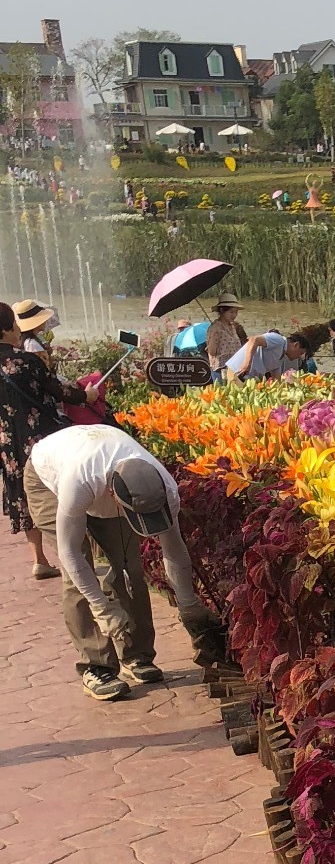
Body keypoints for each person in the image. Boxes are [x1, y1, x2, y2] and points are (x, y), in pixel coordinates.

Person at [24, 420, 224, 701]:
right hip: (48, 477)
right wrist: (101, 607)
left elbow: (173, 547)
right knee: (79, 574)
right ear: (113, 496)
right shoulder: (78, 481)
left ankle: (137, 654)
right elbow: (68, 554)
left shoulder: (164, 486)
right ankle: (97, 667)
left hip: (99, 466)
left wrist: (188, 605)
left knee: (128, 566)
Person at [0, 299, 71, 577]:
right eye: (14, 325)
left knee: (22, 492)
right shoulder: (26, 361)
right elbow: (58, 391)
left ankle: (39, 559)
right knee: (55, 492)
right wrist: (86, 396)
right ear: (6, 329)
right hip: (40, 438)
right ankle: (69, 556)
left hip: (8, 442)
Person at [219, 329, 307, 383]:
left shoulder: (282, 356)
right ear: (296, 345)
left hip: (249, 378)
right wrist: (247, 363)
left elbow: (276, 379)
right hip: (239, 372)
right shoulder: (278, 340)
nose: (298, 357)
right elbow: (254, 340)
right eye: (300, 353)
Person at [204, 292, 246, 374]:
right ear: (222, 310)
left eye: (236, 312)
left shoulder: (232, 326)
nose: (234, 315)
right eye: (231, 312)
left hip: (235, 367)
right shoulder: (215, 328)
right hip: (221, 369)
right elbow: (212, 352)